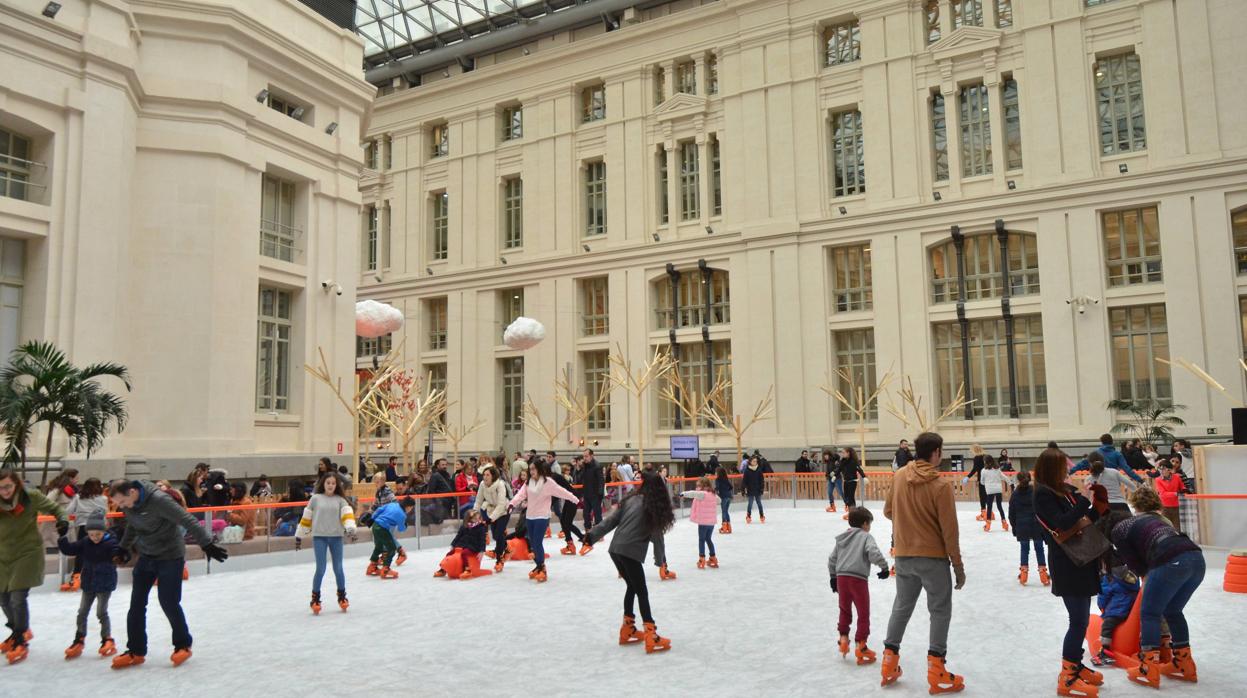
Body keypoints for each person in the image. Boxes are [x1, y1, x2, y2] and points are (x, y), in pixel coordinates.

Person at [107, 478, 228, 669]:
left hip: (170, 556)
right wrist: (123, 547)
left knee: (168, 602)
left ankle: (183, 645)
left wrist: (206, 543)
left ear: (131, 492)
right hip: (146, 555)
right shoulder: (130, 505)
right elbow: (132, 525)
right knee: (136, 604)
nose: (121, 507)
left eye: (122, 502)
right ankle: (136, 651)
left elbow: (186, 519)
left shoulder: (159, 500)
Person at [881, 431, 965, 695]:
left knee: (901, 607)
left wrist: (907, 523)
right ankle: (937, 669)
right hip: (933, 558)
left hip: (904, 556)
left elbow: (887, 511)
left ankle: (888, 662)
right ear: (937, 452)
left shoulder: (899, 477)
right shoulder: (940, 486)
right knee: (939, 610)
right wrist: (958, 567)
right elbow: (949, 531)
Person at [1112, 486, 1205, 686]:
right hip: (1197, 559)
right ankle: (1184, 664)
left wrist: (1146, 577)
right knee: (1173, 610)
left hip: (1170, 561)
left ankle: (1148, 667)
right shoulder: (1161, 521)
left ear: (1135, 507)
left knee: (1150, 613)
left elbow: (1134, 563)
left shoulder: (1122, 528)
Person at [1030, 448, 1104, 698]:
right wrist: (1083, 499)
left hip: (1081, 559)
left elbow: (1081, 519)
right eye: (1063, 466)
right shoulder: (1043, 494)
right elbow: (1061, 524)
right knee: (1078, 620)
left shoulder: (1063, 491)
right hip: (1067, 562)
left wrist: (1097, 506)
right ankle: (1068, 676)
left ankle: (1075, 664)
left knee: (1081, 619)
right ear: (1052, 468)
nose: (1068, 469)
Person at [585, 472, 674, 654]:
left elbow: (610, 521)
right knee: (642, 591)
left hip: (615, 550)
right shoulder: (653, 506)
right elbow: (658, 538)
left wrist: (591, 536)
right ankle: (651, 634)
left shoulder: (631, 500)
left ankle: (628, 629)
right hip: (629, 552)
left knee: (632, 588)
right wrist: (660, 561)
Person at [0, 468, 69, 664]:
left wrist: (62, 521)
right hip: (2, 555)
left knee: (17, 597)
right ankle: (18, 630)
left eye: (8, 486)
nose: (5, 491)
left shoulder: (30, 497)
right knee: (3, 599)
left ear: (17, 484)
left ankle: (20, 639)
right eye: (0, 488)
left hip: (27, 553)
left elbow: (57, 509)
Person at [829, 507, 890, 665]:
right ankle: (860, 645)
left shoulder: (842, 538)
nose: (869, 527)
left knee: (844, 610)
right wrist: (884, 567)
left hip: (842, 579)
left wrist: (833, 577)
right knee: (863, 613)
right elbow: (873, 552)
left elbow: (832, 559)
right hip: (858, 580)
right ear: (864, 524)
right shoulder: (865, 536)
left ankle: (843, 639)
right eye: (869, 524)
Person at [58, 511, 121, 659]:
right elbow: (69, 549)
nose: (94, 538)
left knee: (101, 612)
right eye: (92, 534)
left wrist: (120, 555)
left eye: (97, 534)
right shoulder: (86, 542)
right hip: (89, 583)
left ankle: (107, 639)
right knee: (82, 612)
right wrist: (62, 537)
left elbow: (118, 553)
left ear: (103, 531)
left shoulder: (111, 543)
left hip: (105, 583)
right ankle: (79, 639)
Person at [295, 472, 357, 614]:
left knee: (338, 568)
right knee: (321, 569)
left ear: (337, 485)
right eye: (328, 483)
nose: (330, 485)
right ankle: (315, 598)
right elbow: (306, 519)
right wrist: (299, 536)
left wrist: (350, 528)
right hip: (319, 537)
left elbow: (347, 516)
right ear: (323, 484)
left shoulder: (341, 500)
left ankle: (342, 596)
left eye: (333, 483)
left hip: (336, 537)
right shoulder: (315, 499)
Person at [508, 460, 579, 582]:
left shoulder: (548, 482)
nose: (532, 472)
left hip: (542, 517)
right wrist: (512, 504)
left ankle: (542, 568)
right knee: (532, 543)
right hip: (530, 517)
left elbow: (561, 491)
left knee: (537, 542)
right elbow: (520, 494)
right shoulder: (528, 482)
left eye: (534, 469)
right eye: (530, 469)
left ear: (540, 469)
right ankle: (539, 565)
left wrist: (574, 498)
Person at [63, 477, 108, 592]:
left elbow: (68, 511)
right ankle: (98, 575)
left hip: (84, 527)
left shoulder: (78, 498)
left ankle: (76, 576)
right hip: (99, 528)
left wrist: (79, 513)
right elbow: (105, 512)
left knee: (81, 552)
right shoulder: (103, 498)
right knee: (99, 551)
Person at [1007, 471, 1049, 587]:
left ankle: (1023, 574)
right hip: (1036, 525)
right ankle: (1043, 575)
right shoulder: (1036, 492)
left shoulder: (1015, 494)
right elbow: (1043, 509)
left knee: (1024, 549)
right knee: (1039, 549)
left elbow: (1011, 513)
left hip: (1022, 526)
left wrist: (1015, 527)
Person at [1094, 565, 1139, 667]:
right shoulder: (1133, 577)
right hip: (1131, 610)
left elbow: (1103, 595)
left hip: (1117, 610)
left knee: (1107, 626)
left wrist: (1102, 606)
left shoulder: (1109, 578)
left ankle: (1105, 650)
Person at [473, 466, 511, 572]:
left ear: (493, 476)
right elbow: (478, 500)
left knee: (498, 535)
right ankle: (507, 548)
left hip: (503, 511)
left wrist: (490, 519)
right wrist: (473, 513)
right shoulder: (482, 484)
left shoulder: (500, 485)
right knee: (496, 536)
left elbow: (501, 504)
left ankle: (499, 560)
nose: (484, 477)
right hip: (491, 510)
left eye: (487, 475)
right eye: (484, 475)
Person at [367, 497, 415, 579]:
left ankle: (372, 567)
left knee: (379, 547)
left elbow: (379, 510)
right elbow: (401, 529)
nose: (411, 510)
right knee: (392, 548)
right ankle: (386, 569)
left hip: (375, 526)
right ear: (408, 507)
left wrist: (372, 518)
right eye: (411, 508)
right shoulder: (402, 515)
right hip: (383, 529)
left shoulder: (393, 504)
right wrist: (405, 525)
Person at [434, 509, 488, 580]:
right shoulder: (464, 526)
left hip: (473, 547)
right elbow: (458, 536)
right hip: (461, 545)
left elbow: (482, 540)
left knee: (464, 553)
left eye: (479, 518)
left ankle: (467, 569)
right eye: (475, 518)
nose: (477, 520)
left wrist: (482, 551)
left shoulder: (481, 528)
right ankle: (443, 569)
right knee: (449, 554)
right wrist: (453, 545)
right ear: (469, 519)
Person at [680, 477, 720, 569]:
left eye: (699, 485)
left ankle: (702, 558)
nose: (697, 487)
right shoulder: (713, 494)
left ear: (703, 485)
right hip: (711, 523)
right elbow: (719, 501)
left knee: (701, 539)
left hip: (703, 522)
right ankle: (713, 557)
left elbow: (693, 493)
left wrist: (683, 494)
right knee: (708, 539)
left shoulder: (702, 494)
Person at [551, 468, 589, 557]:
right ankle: (570, 544)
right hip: (568, 498)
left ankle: (584, 539)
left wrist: (549, 503)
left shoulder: (552, 478)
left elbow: (556, 493)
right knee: (563, 521)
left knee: (566, 523)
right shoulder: (551, 477)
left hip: (572, 498)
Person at [1153, 459, 1186, 531]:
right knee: (1166, 527)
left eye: (1163, 468)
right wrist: (1176, 493)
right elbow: (1163, 494)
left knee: (1177, 527)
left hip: (1177, 506)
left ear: (1169, 470)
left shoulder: (1177, 477)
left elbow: (1182, 487)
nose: (1161, 471)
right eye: (1160, 468)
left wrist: (1184, 490)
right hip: (1165, 507)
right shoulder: (1158, 480)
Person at [977, 456, 1007, 532]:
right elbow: (1003, 476)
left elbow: (982, 481)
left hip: (990, 490)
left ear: (986, 462)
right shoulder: (997, 469)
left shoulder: (983, 470)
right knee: (999, 506)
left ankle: (988, 525)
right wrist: (1010, 482)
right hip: (998, 490)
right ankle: (1004, 523)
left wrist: (986, 483)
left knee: (989, 507)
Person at [581, 448, 605, 531]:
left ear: (591, 456)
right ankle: (588, 531)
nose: (584, 458)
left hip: (595, 495)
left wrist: (600, 494)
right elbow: (582, 479)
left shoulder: (597, 466)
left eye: (586, 456)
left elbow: (601, 480)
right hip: (587, 494)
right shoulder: (584, 466)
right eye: (583, 456)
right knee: (585, 514)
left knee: (597, 514)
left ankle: (600, 533)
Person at [839, 447, 866, 518]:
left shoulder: (853, 461)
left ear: (848, 453)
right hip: (846, 481)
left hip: (852, 481)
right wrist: (834, 475)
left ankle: (852, 514)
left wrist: (864, 477)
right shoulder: (843, 461)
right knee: (846, 497)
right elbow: (839, 468)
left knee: (851, 497)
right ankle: (851, 512)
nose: (842, 454)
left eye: (844, 452)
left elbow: (859, 469)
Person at [742, 455, 769, 524]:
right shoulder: (747, 471)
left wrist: (761, 489)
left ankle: (762, 515)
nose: (755, 462)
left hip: (757, 489)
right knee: (750, 504)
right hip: (750, 490)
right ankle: (748, 516)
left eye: (756, 461)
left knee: (759, 503)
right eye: (754, 461)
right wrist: (743, 489)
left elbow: (761, 480)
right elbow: (744, 481)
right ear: (750, 462)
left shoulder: (759, 470)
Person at [966, 444, 989, 522]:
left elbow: (975, 469)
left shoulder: (977, 458)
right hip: (989, 478)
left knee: (982, 496)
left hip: (982, 479)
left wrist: (967, 477)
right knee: (988, 496)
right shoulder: (986, 456)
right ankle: (989, 513)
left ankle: (983, 514)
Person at [715, 466, 734, 534]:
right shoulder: (726, 479)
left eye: (716, 472)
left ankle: (724, 527)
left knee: (724, 511)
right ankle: (729, 527)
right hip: (729, 496)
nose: (715, 473)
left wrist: (714, 491)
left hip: (724, 497)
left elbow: (717, 487)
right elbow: (731, 487)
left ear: (718, 473)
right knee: (726, 511)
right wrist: (727, 491)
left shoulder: (718, 479)